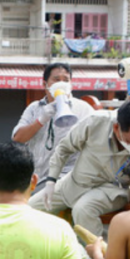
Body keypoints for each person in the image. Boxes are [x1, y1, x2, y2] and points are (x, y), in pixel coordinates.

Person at [29, 97, 130, 237]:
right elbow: (64, 149)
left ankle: (96, 255)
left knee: (83, 209)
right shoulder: (95, 122)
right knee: (30, 208)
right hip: (75, 182)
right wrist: (51, 180)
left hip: (113, 189)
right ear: (116, 128)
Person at [12, 62, 94, 192]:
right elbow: (18, 138)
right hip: (33, 176)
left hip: (64, 179)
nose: (61, 84)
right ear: (45, 84)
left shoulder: (84, 109)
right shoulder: (35, 108)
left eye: (66, 80)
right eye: (56, 79)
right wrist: (41, 120)